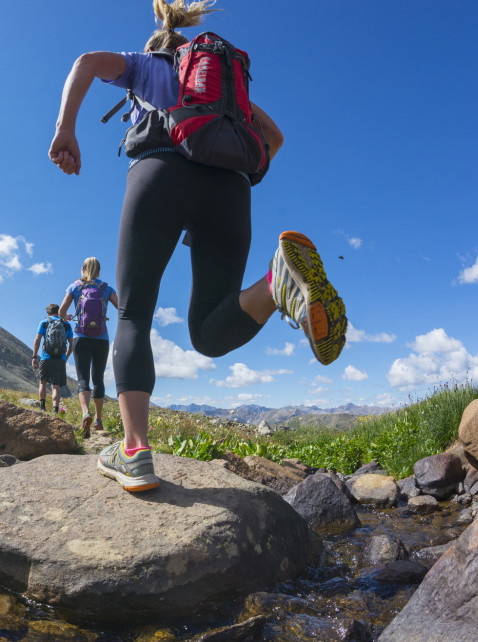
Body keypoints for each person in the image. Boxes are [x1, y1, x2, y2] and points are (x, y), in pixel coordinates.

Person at [48, 0, 346, 493]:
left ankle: (135, 450)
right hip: (231, 189)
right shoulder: (228, 99)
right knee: (209, 332)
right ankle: (277, 283)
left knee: (135, 315)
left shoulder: (147, 65)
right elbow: (274, 136)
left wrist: (65, 129)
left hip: (159, 172)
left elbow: (86, 62)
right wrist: (220, 185)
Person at [59, 257, 119, 438]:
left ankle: (86, 413)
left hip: (80, 337)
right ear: (99, 271)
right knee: (98, 378)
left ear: (83, 269)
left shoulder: (75, 287)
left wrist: (68, 317)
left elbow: (61, 311)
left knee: (82, 378)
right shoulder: (106, 288)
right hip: (101, 338)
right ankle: (99, 420)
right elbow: (122, 308)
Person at [32, 303, 75, 415]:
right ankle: (55, 411)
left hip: (46, 357)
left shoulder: (44, 322)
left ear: (48, 312)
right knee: (55, 387)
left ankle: (42, 408)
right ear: (59, 311)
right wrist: (66, 356)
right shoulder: (66, 324)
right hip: (60, 358)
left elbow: (37, 339)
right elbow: (72, 344)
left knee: (42, 383)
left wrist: (34, 356)